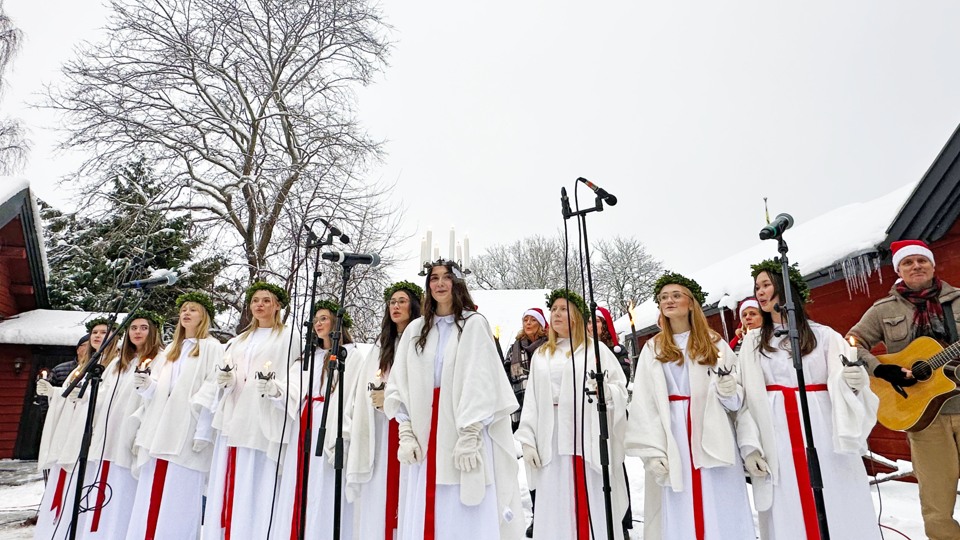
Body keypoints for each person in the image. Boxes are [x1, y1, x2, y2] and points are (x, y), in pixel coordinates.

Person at [384, 259, 524, 540]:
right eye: (434, 278)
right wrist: (407, 432)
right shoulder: (416, 330)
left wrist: (470, 435)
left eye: (446, 277)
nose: (439, 283)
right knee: (425, 502)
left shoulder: (473, 325)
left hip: (463, 428)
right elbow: (400, 384)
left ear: (457, 283)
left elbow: (481, 382)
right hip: (425, 430)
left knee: (462, 503)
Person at [741, 260, 880, 540]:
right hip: (776, 431)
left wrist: (853, 383)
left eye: (766, 284)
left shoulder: (824, 335)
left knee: (835, 492)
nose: (760, 292)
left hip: (821, 426)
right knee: (788, 498)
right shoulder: (754, 341)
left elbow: (846, 379)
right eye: (757, 287)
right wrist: (750, 446)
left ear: (785, 289)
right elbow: (745, 397)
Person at [626, 272, 762, 540]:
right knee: (679, 503)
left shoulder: (714, 344)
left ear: (691, 303)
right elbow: (643, 402)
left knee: (719, 501)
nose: (669, 301)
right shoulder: (653, 348)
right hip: (673, 434)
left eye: (676, 295)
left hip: (712, 430)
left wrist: (727, 391)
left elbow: (738, 401)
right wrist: (653, 451)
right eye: (663, 297)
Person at [847, 239, 960, 540]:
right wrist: (880, 369)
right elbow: (851, 343)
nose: (916, 266)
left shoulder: (958, 300)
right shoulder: (883, 310)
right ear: (899, 270)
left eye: (921, 261)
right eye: (908, 262)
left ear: (933, 265)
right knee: (937, 504)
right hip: (925, 418)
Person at [515, 289, 629, 540]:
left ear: (576, 316)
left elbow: (620, 389)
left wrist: (606, 392)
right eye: (553, 309)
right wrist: (528, 439)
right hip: (552, 435)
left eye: (563, 309)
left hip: (586, 430)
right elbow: (532, 399)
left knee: (591, 492)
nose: (556, 313)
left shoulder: (595, 351)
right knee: (555, 494)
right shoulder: (542, 354)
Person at [203, 282, 299, 540]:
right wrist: (226, 380)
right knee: (230, 481)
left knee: (259, 482)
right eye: (255, 300)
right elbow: (229, 370)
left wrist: (277, 388)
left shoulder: (288, 337)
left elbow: (295, 375)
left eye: (266, 300)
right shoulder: (240, 339)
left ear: (277, 305)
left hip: (263, 415)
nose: (259, 305)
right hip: (235, 413)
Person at [126, 292, 225, 540]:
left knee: (178, 493)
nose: (186, 313)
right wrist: (146, 384)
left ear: (204, 317)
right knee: (151, 494)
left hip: (186, 430)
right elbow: (157, 390)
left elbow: (212, 387)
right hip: (159, 428)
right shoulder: (172, 349)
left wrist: (203, 430)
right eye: (183, 310)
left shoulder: (212, 347)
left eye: (193, 309)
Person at [265, 299, 360, 540]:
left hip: (330, 419)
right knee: (300, 479)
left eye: (324, 319)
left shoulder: (351, 354)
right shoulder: (308, 357)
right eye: (315, 320)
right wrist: (274, 388)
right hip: (305, 421)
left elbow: (351, 390)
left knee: (324, 482)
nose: (318, 324)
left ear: (337, 323)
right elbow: (293, 387)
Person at [76, 310, 164, 539]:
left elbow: (161, 396)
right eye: (133, 328)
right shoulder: (118, 363)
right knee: (99, 491)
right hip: (107, 435)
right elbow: (103, 395)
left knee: (123, 491)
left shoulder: (162, 360)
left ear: (153, 331)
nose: (137, 332)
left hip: (130, 433)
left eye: (143, 328)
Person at [347, 281, 423, 540]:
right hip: (381, 425)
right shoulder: (383, 342)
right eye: (392, 302)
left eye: (402, 301)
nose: (396, 306)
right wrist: (376, 393)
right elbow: (368, 380)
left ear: (414, 306)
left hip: (407, 422)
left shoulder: (419, 338)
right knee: (381, 486)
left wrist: (392, 396)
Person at [34, 318, 119, 539]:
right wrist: (52, 393)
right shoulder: (82, 367)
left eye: (104, 332)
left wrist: (85, 396)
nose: (98, 336)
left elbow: (111, 399)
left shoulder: (115, 365)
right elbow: (67, 397)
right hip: (69, 430)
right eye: (95, 332)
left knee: (80, 490)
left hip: (89, 434)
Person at [504, 307, 549, 430]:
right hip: (520, 399)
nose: (528, 323)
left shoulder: (549, 346)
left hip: (543, 399)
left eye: (533, 320)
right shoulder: (515, 348)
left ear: (540, 324)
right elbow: (505, 374)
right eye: (525, 320)